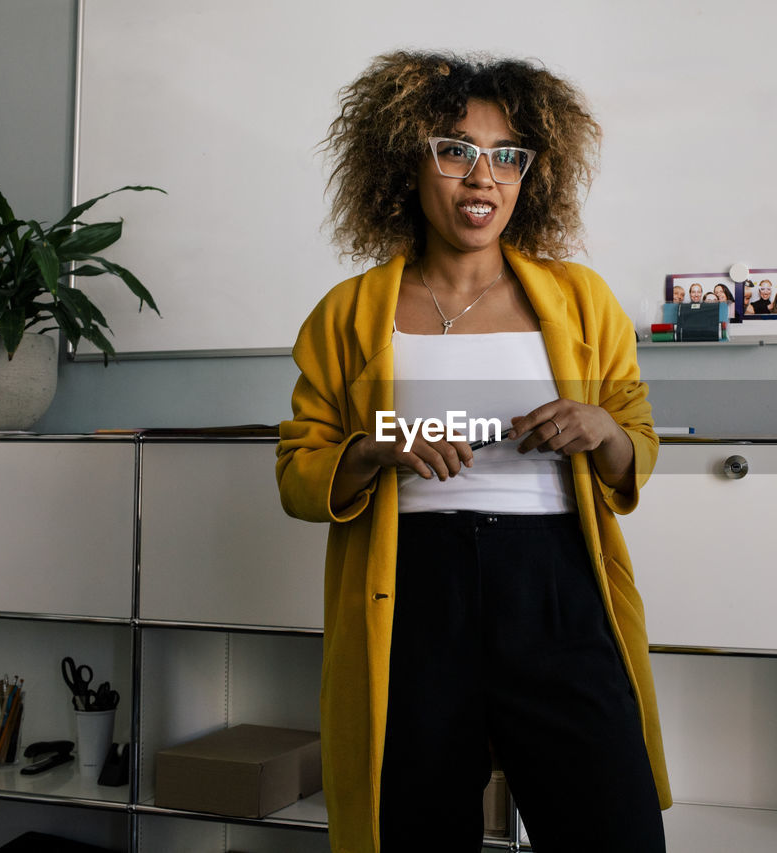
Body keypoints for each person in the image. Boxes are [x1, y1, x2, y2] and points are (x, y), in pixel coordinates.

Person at [276, 51, 670, 853]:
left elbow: (637, 448)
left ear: (531, 174)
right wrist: (388, 442)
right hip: (413, 594)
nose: (480, 177)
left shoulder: (580, 300)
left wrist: (601, 428)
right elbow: (298, 471)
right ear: (407, 163)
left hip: (554, 584)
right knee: (417, 829)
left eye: (506, 156)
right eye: (455, 150)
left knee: (612, 826)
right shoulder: (349, 314)